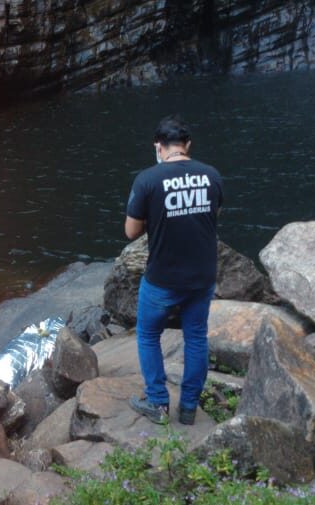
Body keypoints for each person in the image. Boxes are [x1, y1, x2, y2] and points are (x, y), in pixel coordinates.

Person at [124, 115, 223, 426]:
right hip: (202, 275)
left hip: (162, 277)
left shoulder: (147, 180)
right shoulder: (211, 175)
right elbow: (214, 214)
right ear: (187, 145)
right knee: (196, 337)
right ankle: (190, 407)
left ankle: (158, 403)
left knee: (148, 334)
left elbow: (131, 232)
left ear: (158, 147)